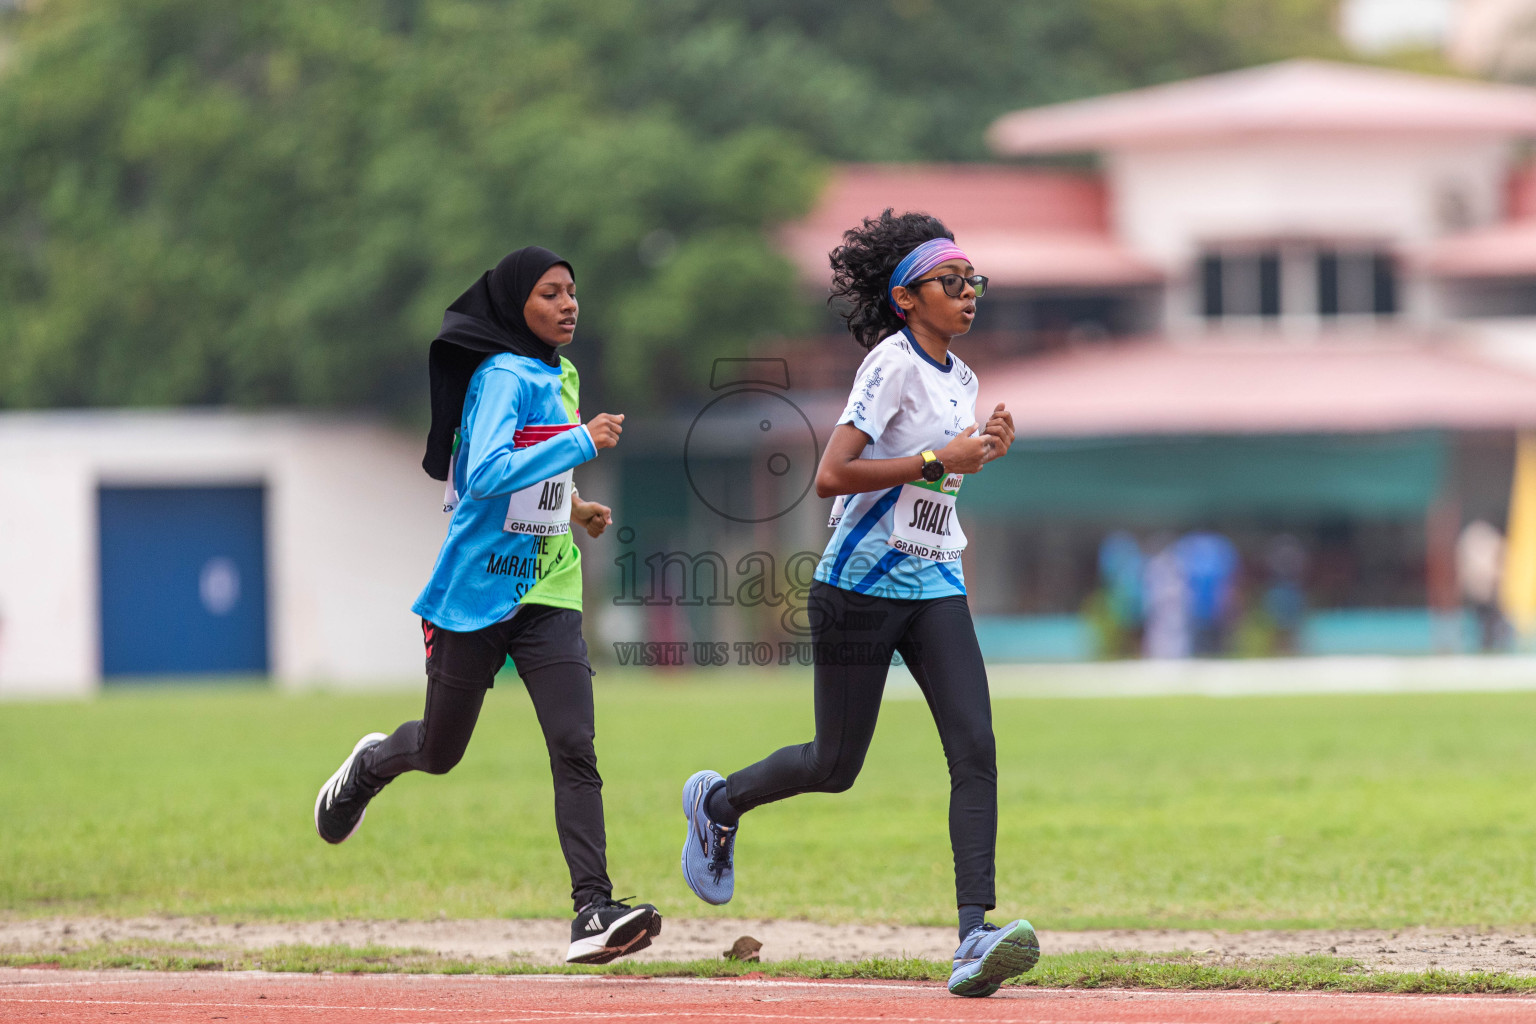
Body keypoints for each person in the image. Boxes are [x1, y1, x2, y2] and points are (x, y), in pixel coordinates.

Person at [677, 211, 1037, 998]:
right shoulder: (891, 363)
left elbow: (931, 481)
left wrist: (979, 449)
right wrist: (943, 453)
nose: (969, 292)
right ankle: (718, 801)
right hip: (858, 588)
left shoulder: (962, 379)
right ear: (908, 297)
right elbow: (834, 476)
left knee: (975, 749)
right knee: (835, 766)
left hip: (935, 581)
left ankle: (974, 934)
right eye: (953, 281)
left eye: (975, 280)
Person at [311, 246, 662, 965]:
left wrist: (575, 507)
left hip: (549, 589)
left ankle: (592, 910)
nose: (567, 305)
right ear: (513, 307)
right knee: (441, 751)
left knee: (575, 745)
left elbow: (532, 481)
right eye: (549, 294)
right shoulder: (505, 375)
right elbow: (486, 475)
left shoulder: (556, 374)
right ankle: (369, 766)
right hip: (474, 596)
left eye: (572, 292)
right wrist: (579, 439)